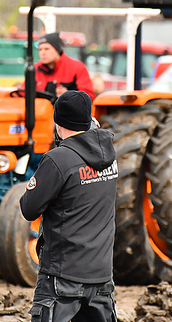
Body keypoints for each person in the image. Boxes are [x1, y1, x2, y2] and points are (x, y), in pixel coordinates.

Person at [20, 90, 118, 322]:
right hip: (101, 276)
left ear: (58, 122)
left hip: (63, 277)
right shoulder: (110, 155)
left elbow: (28, 208)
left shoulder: (59, 159)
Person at [34, 32, 95, 101]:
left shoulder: (77, 67)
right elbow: (23, 92)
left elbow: (88, 96)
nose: (42, 53)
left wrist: (68, 95)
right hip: (40, 110)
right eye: (40, 49)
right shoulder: (34, 69)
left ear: (58, 50)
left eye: (47, 49)